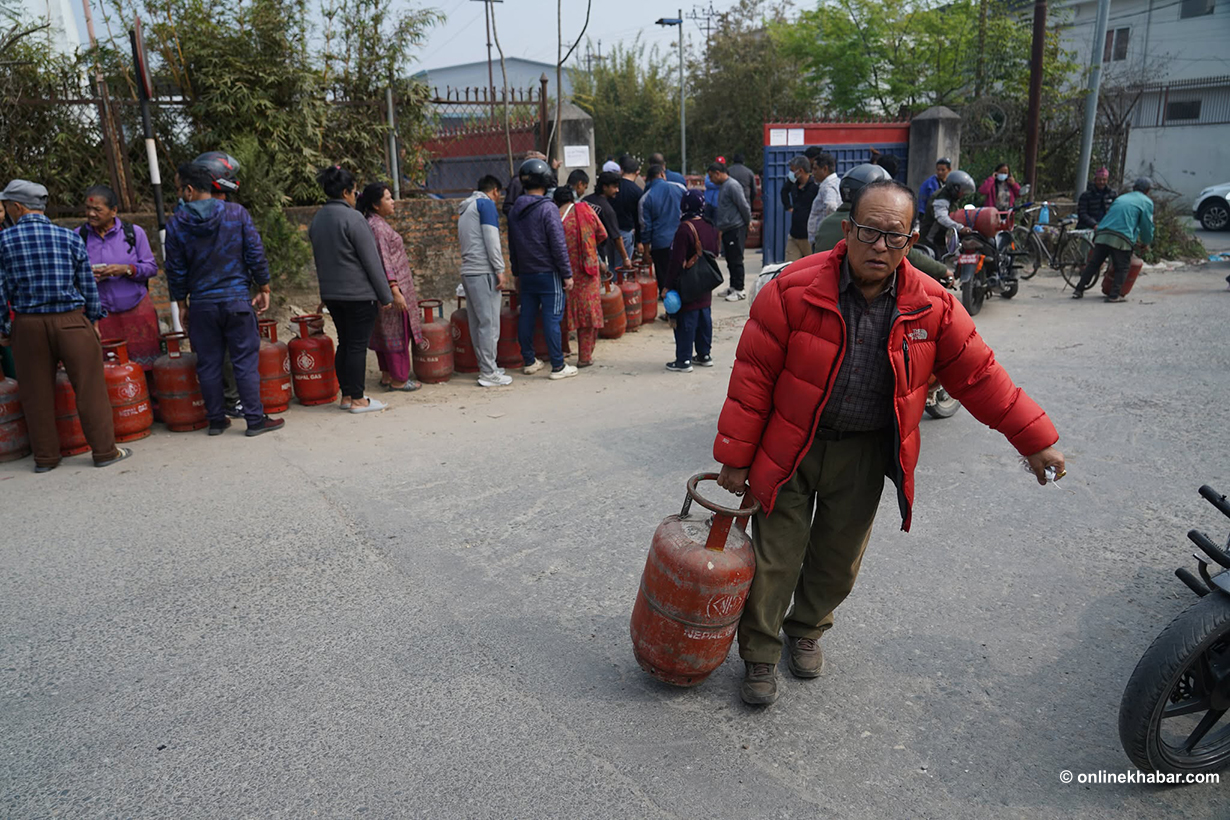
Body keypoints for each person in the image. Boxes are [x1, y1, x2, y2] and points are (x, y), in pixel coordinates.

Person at [713, 178, 1065, 705]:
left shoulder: (934, 305)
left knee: (837, 557)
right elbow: (752, 379)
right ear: (848, 228)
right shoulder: (792, 289)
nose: (879, 247)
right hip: (790, 445)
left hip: (862, 451)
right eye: (869, 232)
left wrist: (1035, 440)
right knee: (773, 557)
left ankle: (806, 627)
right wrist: (736, 459)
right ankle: (759, 655)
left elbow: (980, 377)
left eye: (893, 237)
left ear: (912, 241)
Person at [0, 179, 131, 471]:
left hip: (29, 324)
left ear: (18, 207)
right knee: (90, 389)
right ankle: (105, 452)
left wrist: (4, 329)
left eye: (7, 205)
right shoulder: (69, 238)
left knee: (36, 394)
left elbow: (0, 290)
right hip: (72, 321)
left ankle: (46, 459)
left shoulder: (3, 242)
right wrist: (93, 319)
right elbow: (87, 285)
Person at [164, 163, 282, 436]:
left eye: (180, 189)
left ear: (190, 190)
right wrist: (264, 287)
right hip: (237, 302)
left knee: (208, 363)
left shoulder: (176, 224)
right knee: (244, 362)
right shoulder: (236, 214)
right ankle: (254, 420)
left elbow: (175, 269)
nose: (179, 195)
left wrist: (182, 305)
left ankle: (216, 420)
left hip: (203, 306)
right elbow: (255, 253)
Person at [307, 165, 393, 413]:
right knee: (356, 346)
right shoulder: (353, 218)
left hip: (332, 295)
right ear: (346, 192)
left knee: (345, 343)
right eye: (354, 192)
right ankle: (357, 399)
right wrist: (385, 295)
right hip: (358, 294)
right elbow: (371, 261)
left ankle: (347, 396)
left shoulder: (318, 219)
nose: (356, 197)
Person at [815, 164, 952, 285]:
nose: (880, 246)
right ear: (847, 231)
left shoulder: (825, 223)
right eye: (869, 231)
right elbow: (913, 257)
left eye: (894, 234)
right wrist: (942, 270)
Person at [506, 158, 577, 380]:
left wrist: (516, 272)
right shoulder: (548, 208)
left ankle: (529, 360)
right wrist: (567, 274)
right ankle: (557, 365)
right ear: (546, 180)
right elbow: (558, 244)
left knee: (527, 315)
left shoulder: (514, 210)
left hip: (526, 274)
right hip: (549, 274)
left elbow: (512, 245)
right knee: (552, 318)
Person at [79, 184, 160, 373]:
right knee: (110, 371)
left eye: (97, 209)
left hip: (137, 309)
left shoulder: (133, 233)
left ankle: (151, 403)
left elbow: (151, 267)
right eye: (88, 208)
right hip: (101, 315)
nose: (91, 214)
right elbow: (71, 274)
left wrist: (126, 269)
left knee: (146, 367)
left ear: (113, 211)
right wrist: (85, 275)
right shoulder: (79, 236)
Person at [358, 181, 424, 393]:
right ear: (376, 205)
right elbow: (383, 260)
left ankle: (387, 375)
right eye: (388, 198)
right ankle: (400, 379)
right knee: (397, 333)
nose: (393, 202)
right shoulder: (377, 228)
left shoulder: (373, 223)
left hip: (382, 290)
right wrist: (395, 291)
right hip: (392, 290)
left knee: (384, 333)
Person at [457, 175, 512, 387]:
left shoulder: (466, 207)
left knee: (478, 323)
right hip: (483, 271)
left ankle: (487, 366)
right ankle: (489, 373)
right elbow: (492, 239)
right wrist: (500, 269)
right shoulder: (485, 205)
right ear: (496, 191)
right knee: (489, 324)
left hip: (469, 271)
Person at [1072, 177, 1155, 303]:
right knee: (1122, 266)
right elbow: (1146, 226)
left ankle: (1078, 290)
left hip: (1103, 232)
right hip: (1121, 237)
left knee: (1094, 263)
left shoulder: (1121, 198)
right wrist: (1146, 242)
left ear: (1133, 188)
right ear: (1148, 190)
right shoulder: (1146, 202)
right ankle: (1114, 295)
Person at [662, 189, 717, 373]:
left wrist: (667, 285)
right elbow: (715, 251)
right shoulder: (710, 225)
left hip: (688, 281)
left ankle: (684, 360)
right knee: (704, 317)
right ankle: (704, 355)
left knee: (687, 318)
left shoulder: (684, 228)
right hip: (705, 279)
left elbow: (676, 261)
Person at [557, 185, 607, 367]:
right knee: (588, 314)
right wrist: (589, 244)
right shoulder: (584, 209)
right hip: (587, 270)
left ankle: (563, 350)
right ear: (572, 199)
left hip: (563, 273)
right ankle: (584, 357)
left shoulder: (554, 217)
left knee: (560, 313)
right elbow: (603, 233)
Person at [708, 162, 752, 301]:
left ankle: (740, 289)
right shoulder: (724, 186)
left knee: (736, 259)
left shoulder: (732, 185)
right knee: (730, 260)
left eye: (711, 176)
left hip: (735, 227)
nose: (711, 180)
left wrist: (748, 222)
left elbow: (743, 205)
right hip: (727, 228)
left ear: (718, 173)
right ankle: (733, 286)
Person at [639, 165, 686, 290]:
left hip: (660, 244)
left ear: (649, 179)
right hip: (681, 240)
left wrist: (646, 252)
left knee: (665, 280)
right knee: (681, 275)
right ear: (662, 174)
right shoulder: (680, 189)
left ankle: (669, 304)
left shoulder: (645, 199)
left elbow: (645, 228)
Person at [918, 169, 977, 256]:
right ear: (955, 188)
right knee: (937, 267)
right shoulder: (941, 198)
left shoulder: (951, 198)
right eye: (962, 190)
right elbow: (941, 218)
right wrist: (960, 228)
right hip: (930, 240)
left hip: (943, 240)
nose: (963, 194)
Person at [583, 171, 631, 270]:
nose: (617, 190)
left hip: (582, 250)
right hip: (599, 254)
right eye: (614, 187)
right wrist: (625, 258)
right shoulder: (607, 210)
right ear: (605, 187)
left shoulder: (585, 201)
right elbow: (617, 238)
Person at [779, 155, 818, 262]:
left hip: (808, 237)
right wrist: (788, 207)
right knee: (788, 266)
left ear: (800, 170)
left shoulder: (814, 187)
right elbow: (783, 192)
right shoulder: (793, 184)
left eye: (792, 170)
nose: (790, 173)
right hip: (794, 235)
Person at [502, 152, 559, 218]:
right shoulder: (517, 182)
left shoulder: (542, 182)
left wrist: (554, 170)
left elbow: (552, 189)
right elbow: (507, 207)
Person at [611, 154, 643, 262]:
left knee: (610, 265)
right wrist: (639, 241)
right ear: (637, 172)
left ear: (621, 170)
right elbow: (639, 218)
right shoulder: (637, 191)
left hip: (609, 231)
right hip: (626, 232)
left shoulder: (612, 187)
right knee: (622, 265)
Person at [805, 152, 840, 250]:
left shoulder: (827, 187)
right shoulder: (837, 182)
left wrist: (825, 230)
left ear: (825, 169)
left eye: (815, 169)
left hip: (823, 241)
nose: (813, 172)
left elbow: (830, 206)